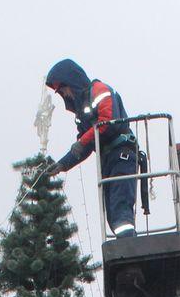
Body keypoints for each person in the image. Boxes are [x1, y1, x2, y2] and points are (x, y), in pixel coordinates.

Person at [45, 59, 138, 237]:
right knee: (113, 215)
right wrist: (63, 165)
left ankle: (129, 249)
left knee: (120, 209)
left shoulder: (100, 91)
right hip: (109, 160)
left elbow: (108, 123)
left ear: (71, 82)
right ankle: (125, 247)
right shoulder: (82, 113)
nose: (63, 94)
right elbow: (85, 145)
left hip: (122, 156)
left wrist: (82, 142)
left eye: (62, 89)